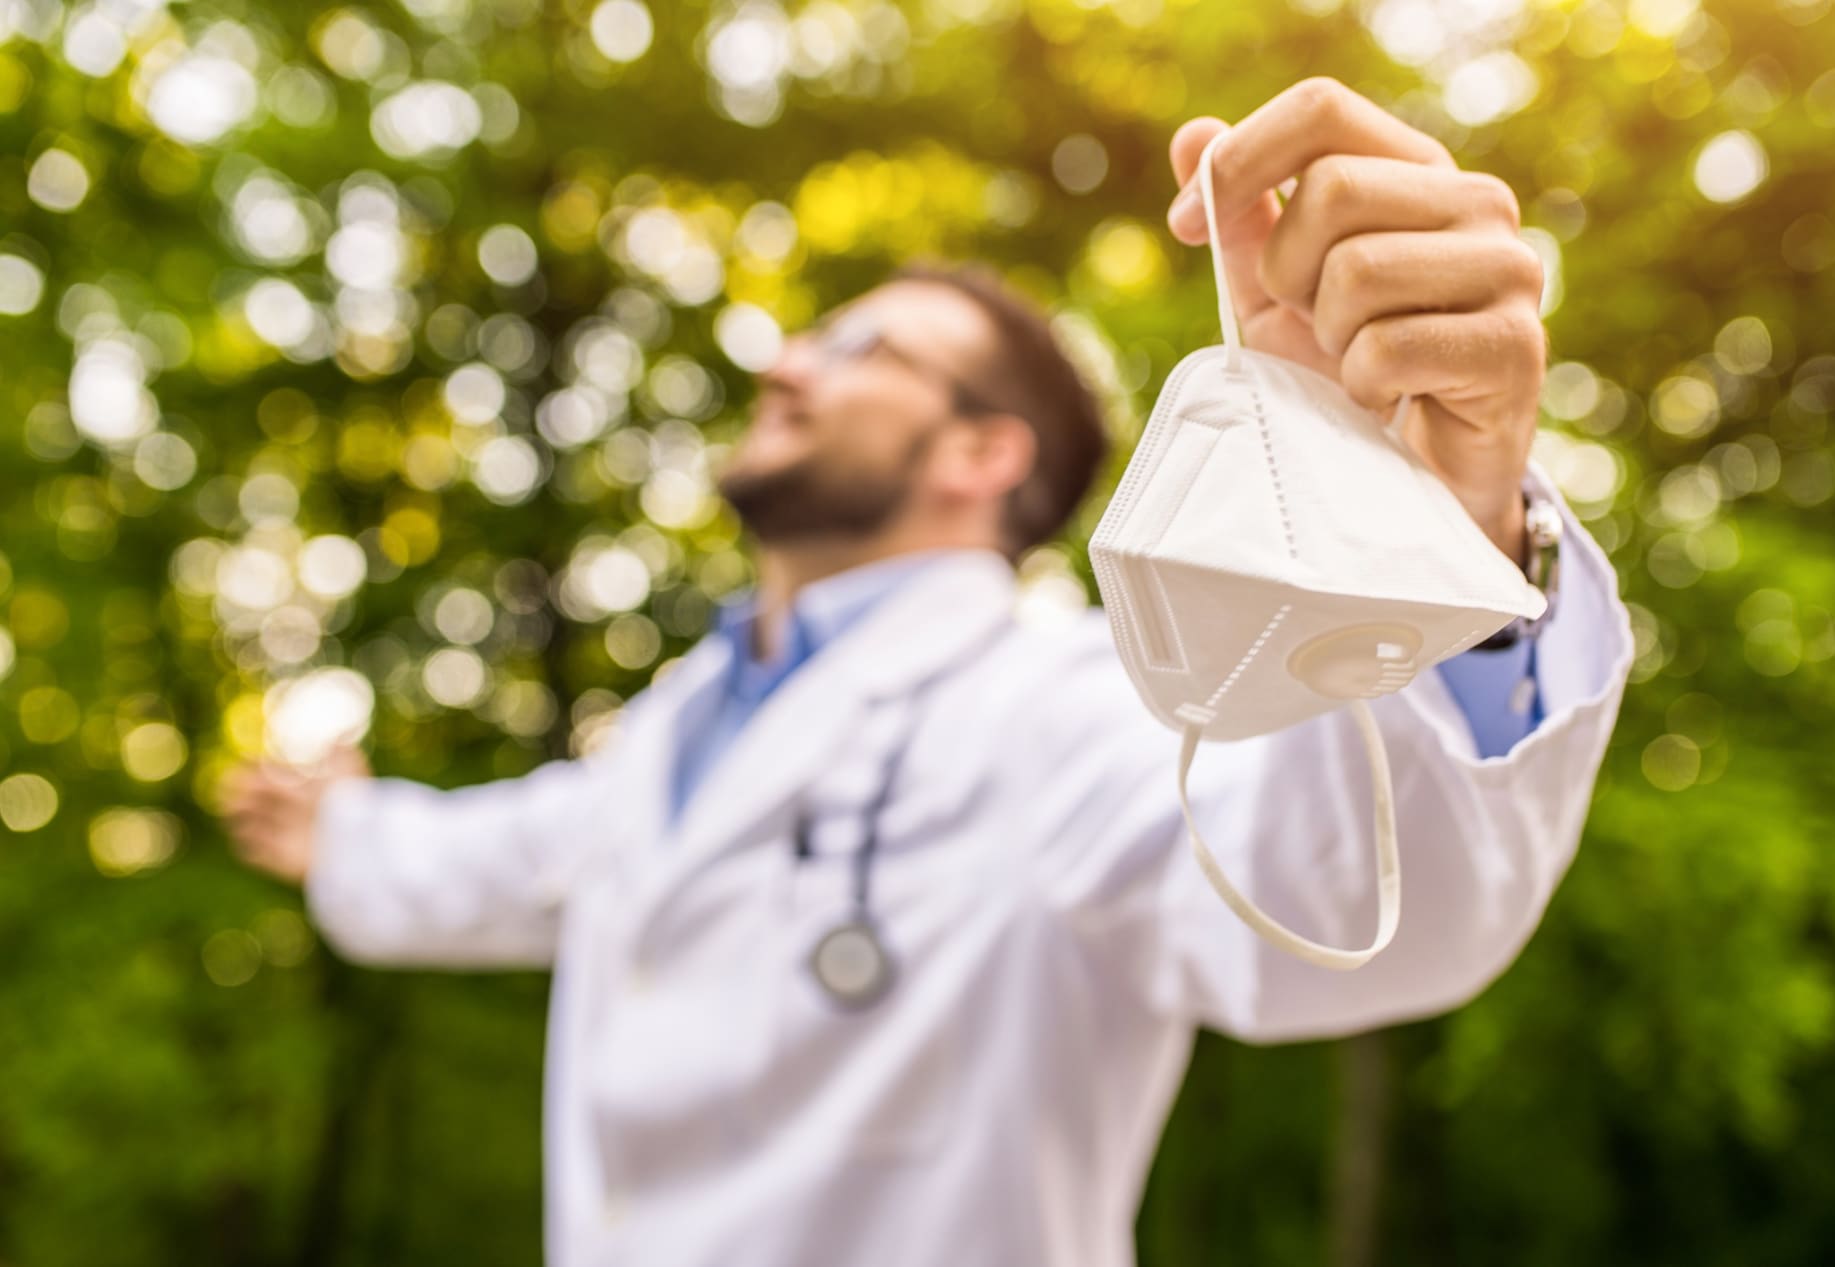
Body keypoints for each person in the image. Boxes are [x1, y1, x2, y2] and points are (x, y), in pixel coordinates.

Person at [224, 80, 1632, 1267]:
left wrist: (1444, 539)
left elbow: (1339, 902)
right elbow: (491, 859)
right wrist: (339, 827)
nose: (784, 360)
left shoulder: (1064, 704)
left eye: (858, 347)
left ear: (981, 454)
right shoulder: (671, 727)